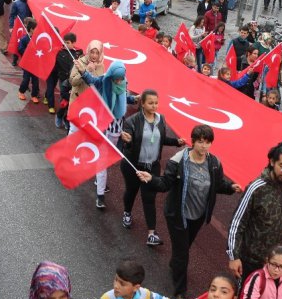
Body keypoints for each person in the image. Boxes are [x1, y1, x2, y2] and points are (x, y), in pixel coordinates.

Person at [137, 125, 242, 299]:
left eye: (208, 142)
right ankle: (180, 291)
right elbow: (165, 184)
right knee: (183, 254)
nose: (204, 146)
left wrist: (230, 187)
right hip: (178, 215)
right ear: (193, 142)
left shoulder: (214, 163)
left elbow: (218, 185)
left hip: (199, 216)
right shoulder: (178, 161)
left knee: (184, 247)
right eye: (200, 142)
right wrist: (152, 179)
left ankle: (175, 264)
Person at [227, 142, 282, 282]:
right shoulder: (256, 188)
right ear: (272, 162)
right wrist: (233, 256)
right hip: (252, 260)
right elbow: (237, 223)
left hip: (279, 261)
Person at [119, 90, 185, 244]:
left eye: (156, 102)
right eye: (150, 103)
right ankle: (127, 213)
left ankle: (151, 234)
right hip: (133, 166)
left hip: (152, 166)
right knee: (131, 192)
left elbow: (160, 139)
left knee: (149, 198)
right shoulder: (132, 121)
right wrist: (127, 140)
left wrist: (176, 142)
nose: (154, 106)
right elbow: (128, 144)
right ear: (142, 103)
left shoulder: (161, 119)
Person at [76, 60, 137, 209]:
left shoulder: (124, 83)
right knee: (102, 162)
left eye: (121, 78)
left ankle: (99, 179)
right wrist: (83, 71)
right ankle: (100, 196)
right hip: (103, 127)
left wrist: (135, 99)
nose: (118, 81)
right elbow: (92, 81)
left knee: (108, 160)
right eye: (116, 78)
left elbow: (124, 98)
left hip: (118, 129)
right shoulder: (104, 80)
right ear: (111, 75)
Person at [54, 33, 83, 129]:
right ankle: (59, 116)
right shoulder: (60, 52)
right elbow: (57, 65)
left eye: (68, 43)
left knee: (72, 103)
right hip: (64, 81)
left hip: (74, 81)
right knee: (64, 101)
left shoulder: (78, 53)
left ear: (74, 43)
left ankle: (67, 120)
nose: (65, 45)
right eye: (64, 42)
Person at [17, 18, 40, 103]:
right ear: (31, 29)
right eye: (36, 28)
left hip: (35, 64)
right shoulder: (24, 39)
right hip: (27, 64)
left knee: (35, 80)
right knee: (26, 79)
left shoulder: (37, 39)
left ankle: (34, 95)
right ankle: (21, 91)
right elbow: (20, 49)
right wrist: (28, 52)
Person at [8, 0, 32, 65]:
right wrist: (11, 27)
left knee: (26, 44)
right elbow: (12, 15)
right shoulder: (16, 4)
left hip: (28, 28)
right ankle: (15, 59)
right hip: (19, 27)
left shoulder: (31, 4)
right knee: (17, 43)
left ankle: (24, 61)